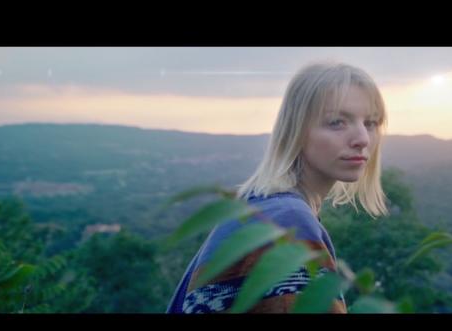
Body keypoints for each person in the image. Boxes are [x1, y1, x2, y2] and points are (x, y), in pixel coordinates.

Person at [167, 61, 389, 313]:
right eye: (337, 122)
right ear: (295, 131)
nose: (362, 139)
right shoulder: (286, 220)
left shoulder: (261, 207)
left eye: (371, 123)